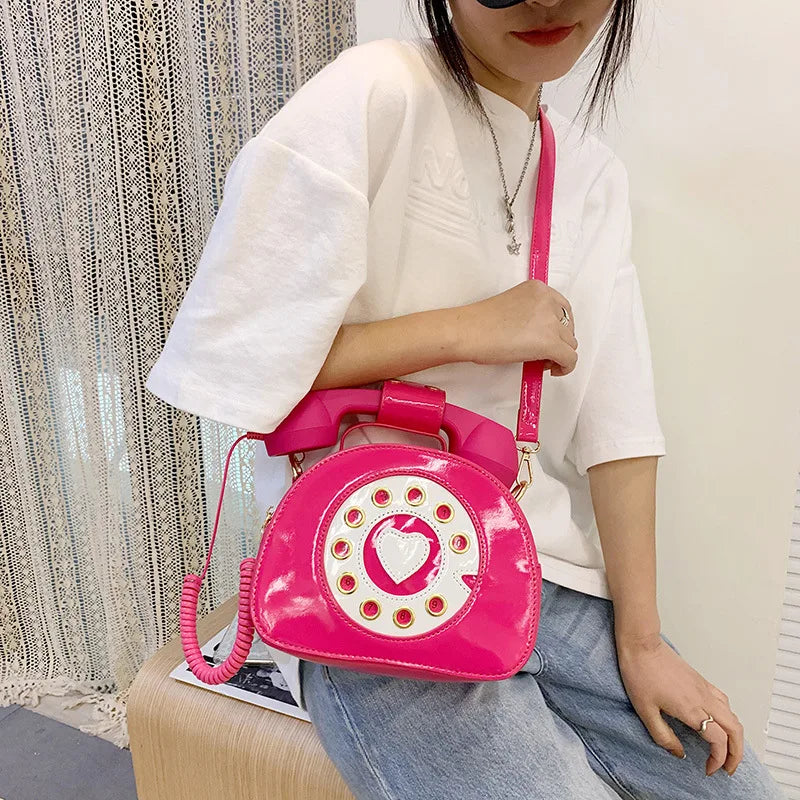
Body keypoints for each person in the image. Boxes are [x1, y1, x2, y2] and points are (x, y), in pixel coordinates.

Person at [145, 0, 786, 797]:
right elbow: (237, 361)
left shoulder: (592, 176)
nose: (546, 2)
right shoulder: (374, 96)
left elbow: (618, 424)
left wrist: (645, 640)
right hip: (371, 574)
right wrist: (468, 329)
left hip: (546, 573)